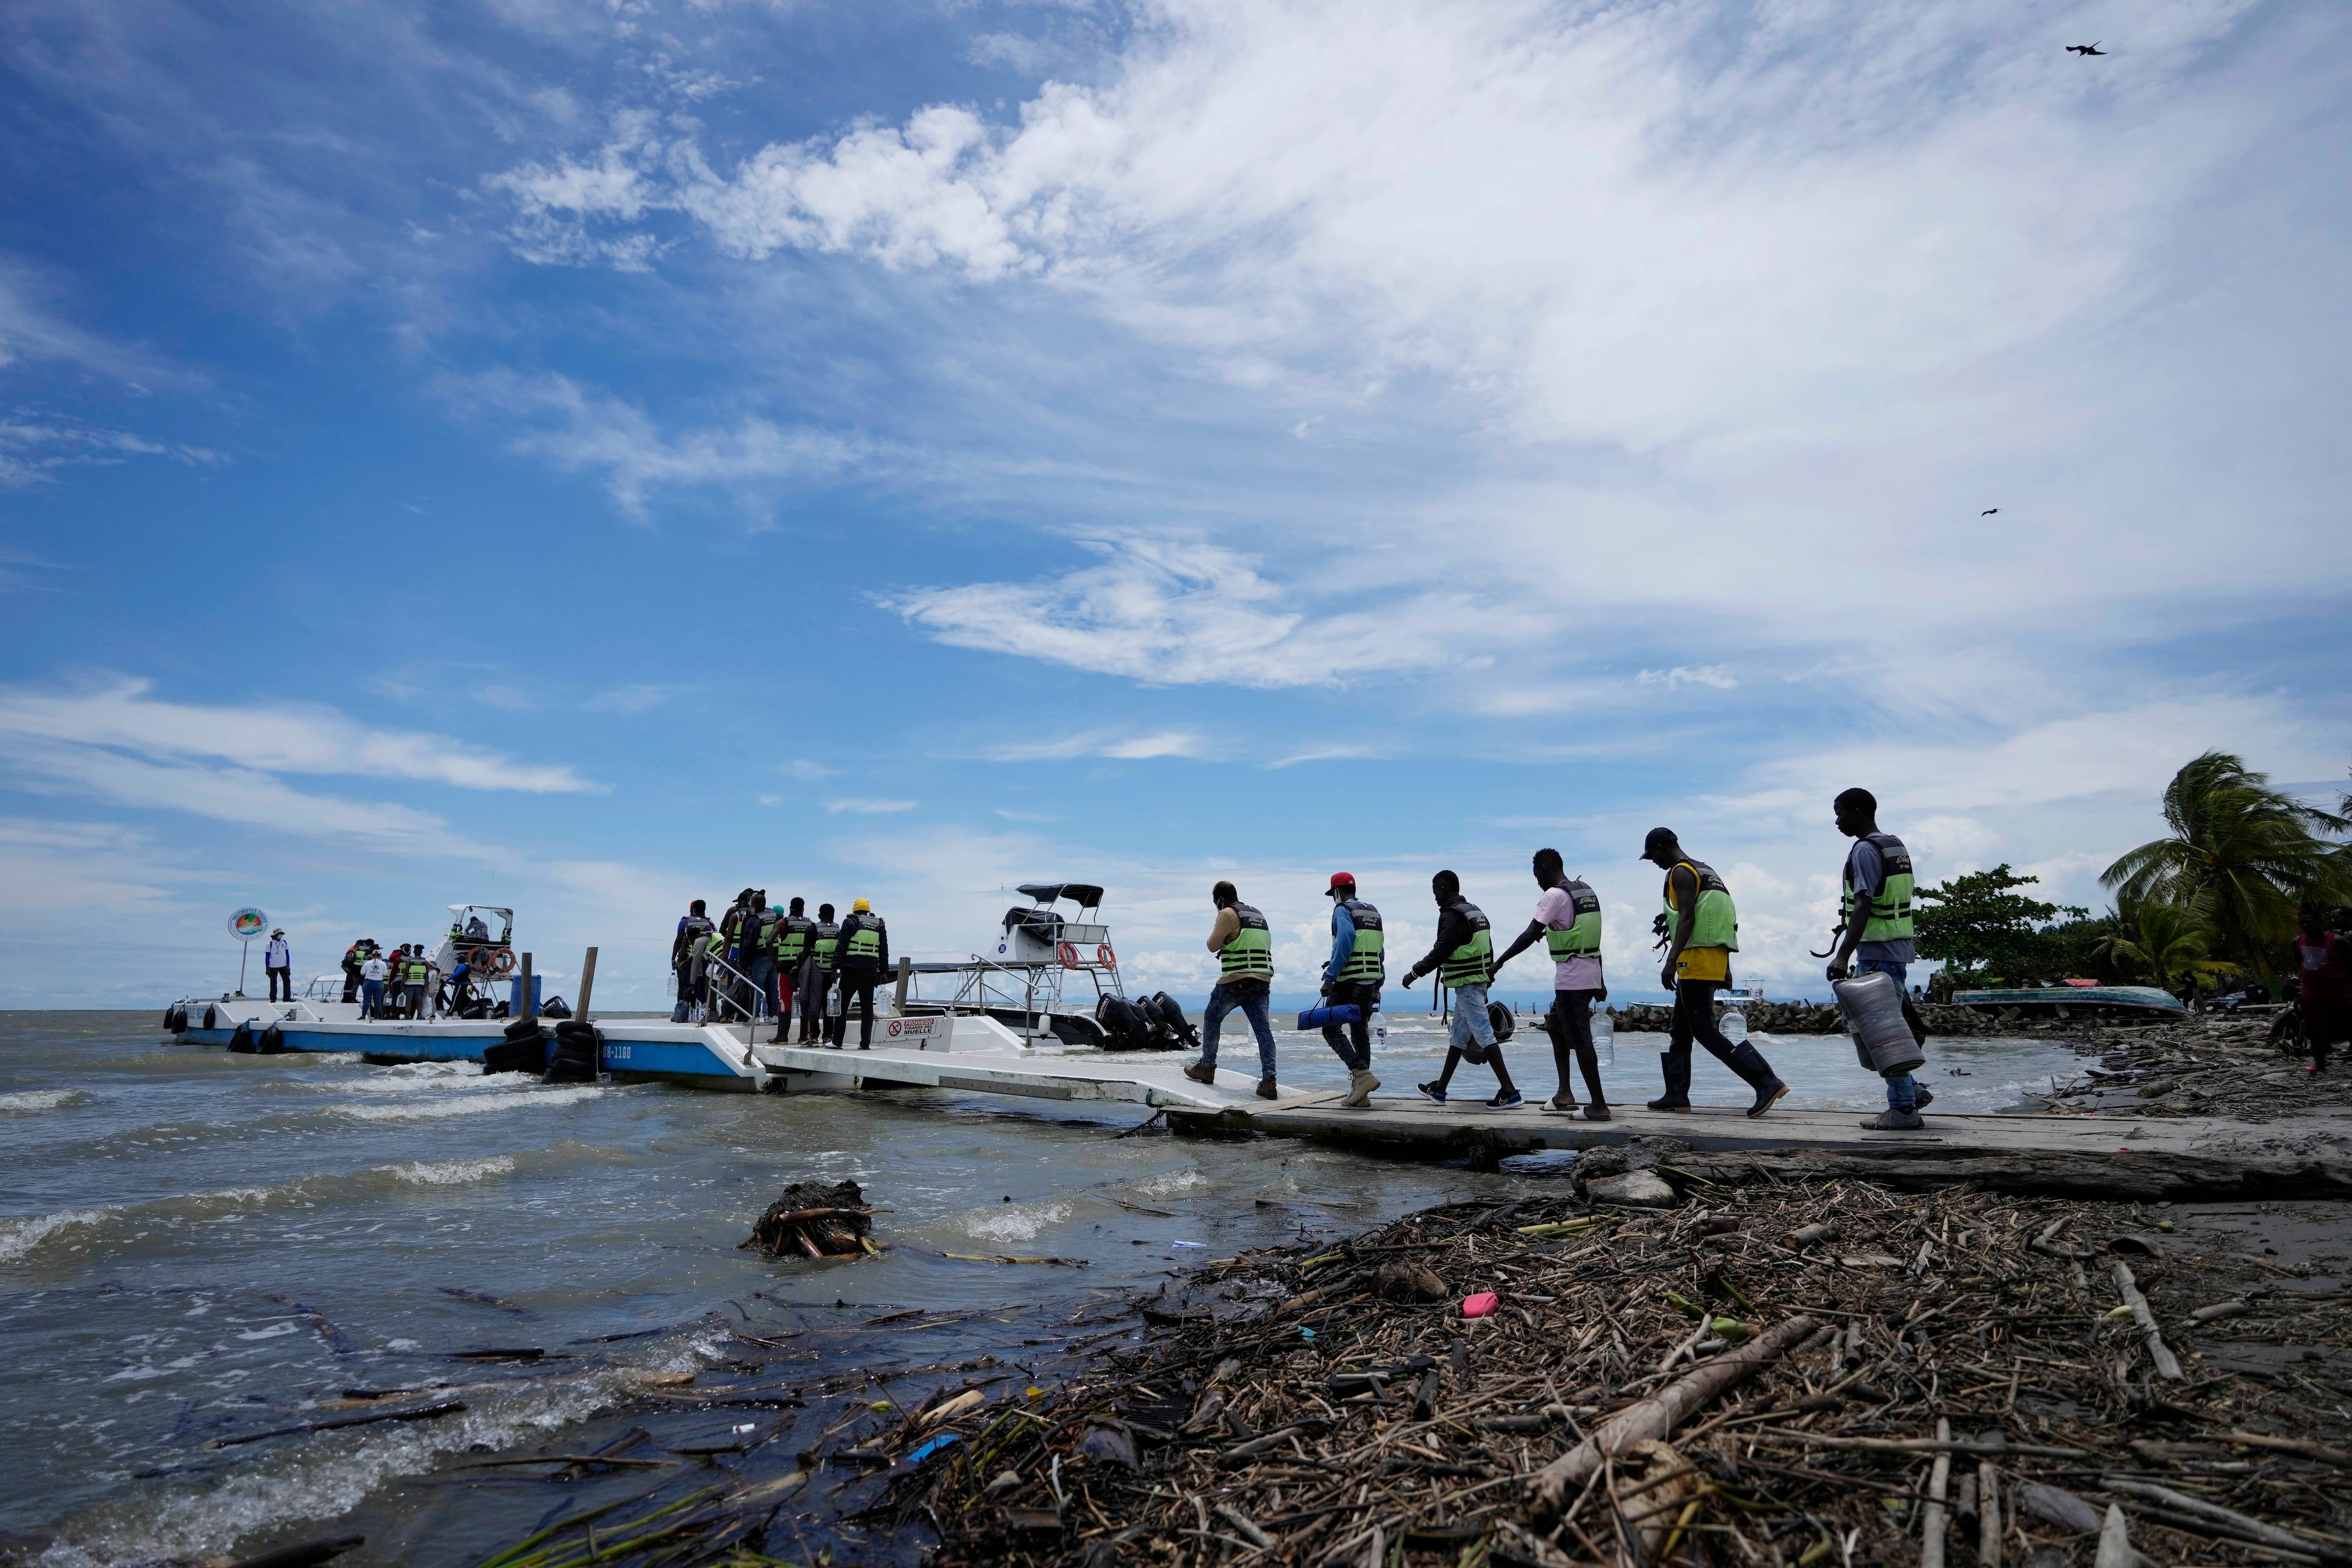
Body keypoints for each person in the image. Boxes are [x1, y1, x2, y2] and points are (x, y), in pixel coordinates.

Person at [1643, 828, 1788, 1116]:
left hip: (1694, 958)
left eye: (1653, 856)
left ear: (1661, 848)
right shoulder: (1708, 872)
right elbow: (1723, 921)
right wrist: (1727, 968)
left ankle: (1766, 1082)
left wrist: (1671, 961)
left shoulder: (1681, 873)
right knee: (1680, 1031)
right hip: (1713, 957)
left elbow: (1687, 917)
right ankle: (1677, 1095)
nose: (1654, 862)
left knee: (1705, 1031)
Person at [1825, 788, 1933, 1130]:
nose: (1837, 820)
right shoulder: (1894, 845)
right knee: (1882, 1029)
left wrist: (1842, 956)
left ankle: (1902, 1109)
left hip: (1877, 955)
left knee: (1879, 1034)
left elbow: (1864, 905)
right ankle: (1911, 1091)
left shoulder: (1864, 851)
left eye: (1840, 813)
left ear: (1859, 812)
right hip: (1897, 949)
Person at [1490, 849, 1610, 1119]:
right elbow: (1590, 935)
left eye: (1537, 876)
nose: (1538, 883)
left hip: (1572, 982)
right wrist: (1601, 979)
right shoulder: (1585, 892)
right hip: (1589, 976)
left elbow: (1531, 933)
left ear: (1545, 868)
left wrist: (1499, 963)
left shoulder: (1553, 896)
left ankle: (1599, 1106)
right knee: (1555, 1026)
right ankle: (1565, 1092)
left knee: (1581, 1041)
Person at [1402, 870, 1522, 1107]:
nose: (1435, 897)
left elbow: (1441, 951)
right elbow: (1488, 947)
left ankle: (1509, 1092)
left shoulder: (1452, 915)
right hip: (1475, 982)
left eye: (1435, 891)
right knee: (1458, 1035)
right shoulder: (1475, 912)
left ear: (1444, 890)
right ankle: (1440, 1090)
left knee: (1484, 1034)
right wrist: (1489, 974)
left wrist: (1415, 973)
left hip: (1467, 984)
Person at [1184, 881, 1279, 1098]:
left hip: (1237, 980)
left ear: (1220, 899)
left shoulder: (1227, 913)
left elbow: (1212, 945)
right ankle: (1270, 1081)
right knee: (1263, 1030)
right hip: (1263, 980)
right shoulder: (1258, 915)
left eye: (1215, 903)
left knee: (1212, 1017)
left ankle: (1207, 1068)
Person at [1317, 874, 1383, 1108]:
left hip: (1347, 983)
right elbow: (1379, 951)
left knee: (1330, 1029)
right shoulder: (1372, 912)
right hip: (1369, 982)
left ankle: (1361, 1075)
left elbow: (1346, 938)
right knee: (1360, 1032)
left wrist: (1330, 977)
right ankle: (1361, 1094)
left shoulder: (1342, 910)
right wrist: (1378, 984)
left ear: (1336, 892)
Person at [2293, 906, 2352, 1075]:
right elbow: (2302, 964)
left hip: (2339, 992)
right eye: (2302, 923)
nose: (2306, 926)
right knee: (2315, 1029)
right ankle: (2320, 1065)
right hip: (2312, 994)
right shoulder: (2297, 942)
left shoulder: (2337, 941)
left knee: (2348, 1025)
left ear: (2319, 922)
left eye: (2310, 922)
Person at [830, 898, 890, 1048]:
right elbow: (884, 949)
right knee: (867, 1008)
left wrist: (835, 967)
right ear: (868, 910)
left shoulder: (851, 922)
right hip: (871, 971)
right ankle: (865, 1043)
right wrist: (884, 972)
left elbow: (841, 946)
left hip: (852, 970)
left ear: (855, 910)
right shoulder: (879, 925)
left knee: (843, 1006)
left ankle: (837, 1042)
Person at [769, 898, 816, 1043]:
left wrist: (775, 962)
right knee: (804, 1000)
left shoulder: (783, 923)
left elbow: (769, 941)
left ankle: (782, 1036)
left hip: (786, 968)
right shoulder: (811, 924)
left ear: (790, 908)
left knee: (784, 1000)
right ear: (803, 908)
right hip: (804, 967)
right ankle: (803, 1037)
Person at [671, 899, 715, 1023]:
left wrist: (674, 959)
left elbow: (680, 941)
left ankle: (682, 1015)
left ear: (693, 910)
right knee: (703, 988)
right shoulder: (710, 923)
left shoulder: (686, 922)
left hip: (690, 960)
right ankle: (703, 1014)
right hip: (706, 961)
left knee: (685, 987)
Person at [804, 904, 842, 1046]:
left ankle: (813, 1036)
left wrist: (801, 973)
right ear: (833, 915)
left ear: (819, 916)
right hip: (832, 975)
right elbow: (841, 952)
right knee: (829, 1005)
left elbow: (806, 952)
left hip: (815, 973)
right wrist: (835, 970)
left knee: (813, 1005)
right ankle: (828, 1036)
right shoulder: (839, 930)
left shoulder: (814, 928)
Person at [402, 944, 432, 1019]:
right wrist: (427, 986)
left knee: (409, 1000)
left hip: (409, 984)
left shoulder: (410, 961)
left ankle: (407, 1016)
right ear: (422, 952)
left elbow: (406, 974)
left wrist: (402, 984)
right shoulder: (425, 962)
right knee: (419, 1000)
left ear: (414, 951)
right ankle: (419, 1016)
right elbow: (426, 975)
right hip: (420, 984)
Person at [359, 947, 389, 1020]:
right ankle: (377, 1016)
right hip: (379, 983)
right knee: (377, 1000)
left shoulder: (368, 963)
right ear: (380, 956)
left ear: (372, 956)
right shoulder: (383, 964)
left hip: (368, 983)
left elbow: (362, 973)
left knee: (367, 1000)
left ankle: (363, 1016)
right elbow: (385, 974)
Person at [264, 929, 292, 1003]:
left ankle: (287, 997)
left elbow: (287, 954)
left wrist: (288, 965)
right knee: (274, 982)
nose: (281, 936)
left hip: (284, 966)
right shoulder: (269, 944)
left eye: (282, 934)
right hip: (273, 966)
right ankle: (273, 998)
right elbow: (267, 957)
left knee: (287, 981)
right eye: (280, 934)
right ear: (276, 935)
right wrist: (267, 968)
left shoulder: (285, 943)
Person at [342, 939, 369, 1004]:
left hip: (352, 971)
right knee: (352, 985)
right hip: (352, 971)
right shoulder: (352, 950)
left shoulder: (355, 950)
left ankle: (350, 999)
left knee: (352, 985)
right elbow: (350, 960)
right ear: (358, 944)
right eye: (363, 945)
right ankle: (349, 999)